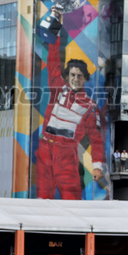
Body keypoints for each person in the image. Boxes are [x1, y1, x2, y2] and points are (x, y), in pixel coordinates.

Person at [35, 25, 105, 199]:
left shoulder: (89, 105)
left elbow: (96, 138)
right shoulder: (58, 88)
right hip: (45, 149)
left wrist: (97, 166)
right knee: (42, 201)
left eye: (79, 76)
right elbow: (53, 61)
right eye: (72, 75)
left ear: (85, 79)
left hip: (66, 154)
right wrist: (56, 31)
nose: (75, 79)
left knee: (71, 200)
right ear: (67, 76)